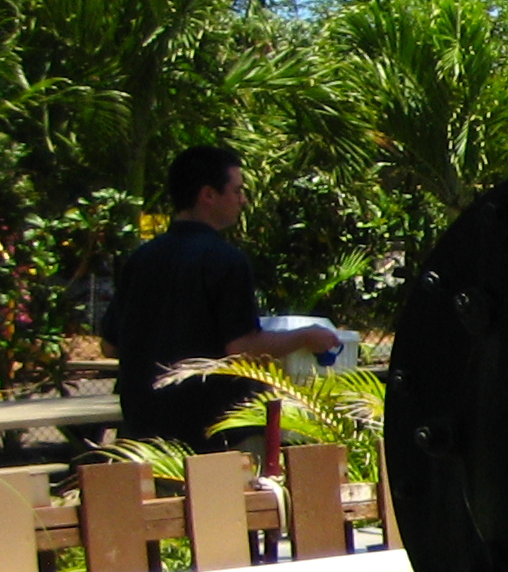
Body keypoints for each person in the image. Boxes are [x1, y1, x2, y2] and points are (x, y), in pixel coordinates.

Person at [103, 144, 340, 448]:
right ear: (208, 195)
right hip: (214, 432)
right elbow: (242, 348)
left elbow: (110, 345)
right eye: (237, 190)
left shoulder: (140, 259)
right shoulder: (226, 260)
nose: (242, 200)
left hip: (146, 432)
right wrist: (306, 337)